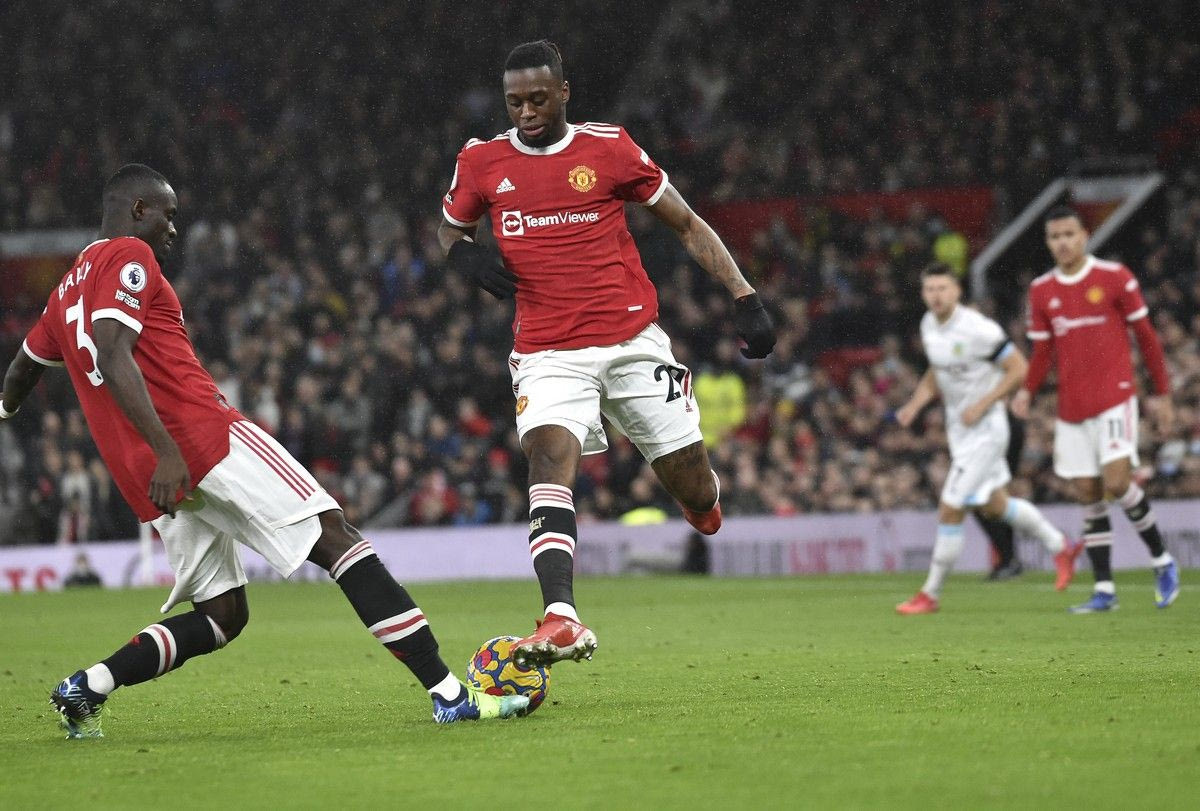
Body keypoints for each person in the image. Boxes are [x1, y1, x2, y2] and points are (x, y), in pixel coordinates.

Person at [0, 164, 526, 738]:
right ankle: (449, 694)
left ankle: (89, 686)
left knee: (223, 616)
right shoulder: (130, 253)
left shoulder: (63, 292)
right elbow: (111, 351)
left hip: (145, 475)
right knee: (337, 537)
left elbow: (23, 370)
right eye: (167, 216)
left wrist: (3, 411)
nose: (173, 229)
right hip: (201, 441)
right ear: (137, 210)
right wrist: (169, 450)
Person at [437, 41, 775, 665]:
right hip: (547, 352)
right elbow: (450, 229)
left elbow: (687, 224)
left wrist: (744, 296)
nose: (527, 113)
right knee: (547, 457)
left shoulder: (609, 149)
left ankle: (702, 502)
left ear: (564, 93)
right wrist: (463, 253)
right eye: (515, 102)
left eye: (539, 99)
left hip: (632, 343)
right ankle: (560, 616)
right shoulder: (481, 161)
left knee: (696, 489)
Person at [1012, 206, 1180, 613]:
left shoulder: (1114, 276)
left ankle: (1162, 560)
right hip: (1072, 405)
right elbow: (1043, 350)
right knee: (1088, 492)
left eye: (1069, 234)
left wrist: (1162, 394)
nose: (1063, 243)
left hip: (1115, 396)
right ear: (1048, 242)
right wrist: (1027, 391)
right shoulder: (1041, 290)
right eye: (1055, 237)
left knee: (1118, 482)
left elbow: (1146, 336)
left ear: (1085, 235)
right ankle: (1104, 589)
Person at [894, 263, 1082, 614]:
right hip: (960, 432)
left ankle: (930, 594)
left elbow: (1019, 368)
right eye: (930, 289)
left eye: (942, 288)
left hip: (987, 430)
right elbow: (938, 369)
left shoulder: (979, 329)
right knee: (996, 505)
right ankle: (1061, 545)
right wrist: (915, 404)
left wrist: (983, 403)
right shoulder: (929, 325)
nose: (936, 295)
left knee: (951, 506)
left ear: (957, 291)